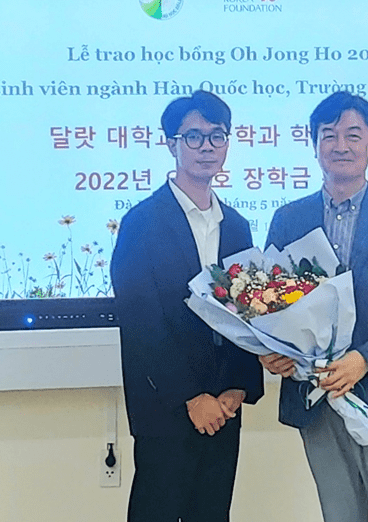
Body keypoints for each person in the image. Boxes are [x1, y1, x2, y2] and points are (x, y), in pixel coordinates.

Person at [261, 91, 368, 522]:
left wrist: (364, 360)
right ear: (314, 145)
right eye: (329, 135)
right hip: (316, 397)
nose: (341, 145)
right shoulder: (288, 219)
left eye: (353, 135)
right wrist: (271, 350)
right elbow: (268, 302)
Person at [111, 90, 263, 522]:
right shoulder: (141, 222)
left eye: (217, 136)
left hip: (224, 407)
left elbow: (246, 313)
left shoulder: (237, 226)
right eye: (193, 136)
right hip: (165, 405)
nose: (206, 147)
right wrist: (192, 398)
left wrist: (236, 387)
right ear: (171, 144)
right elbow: (141, 322)